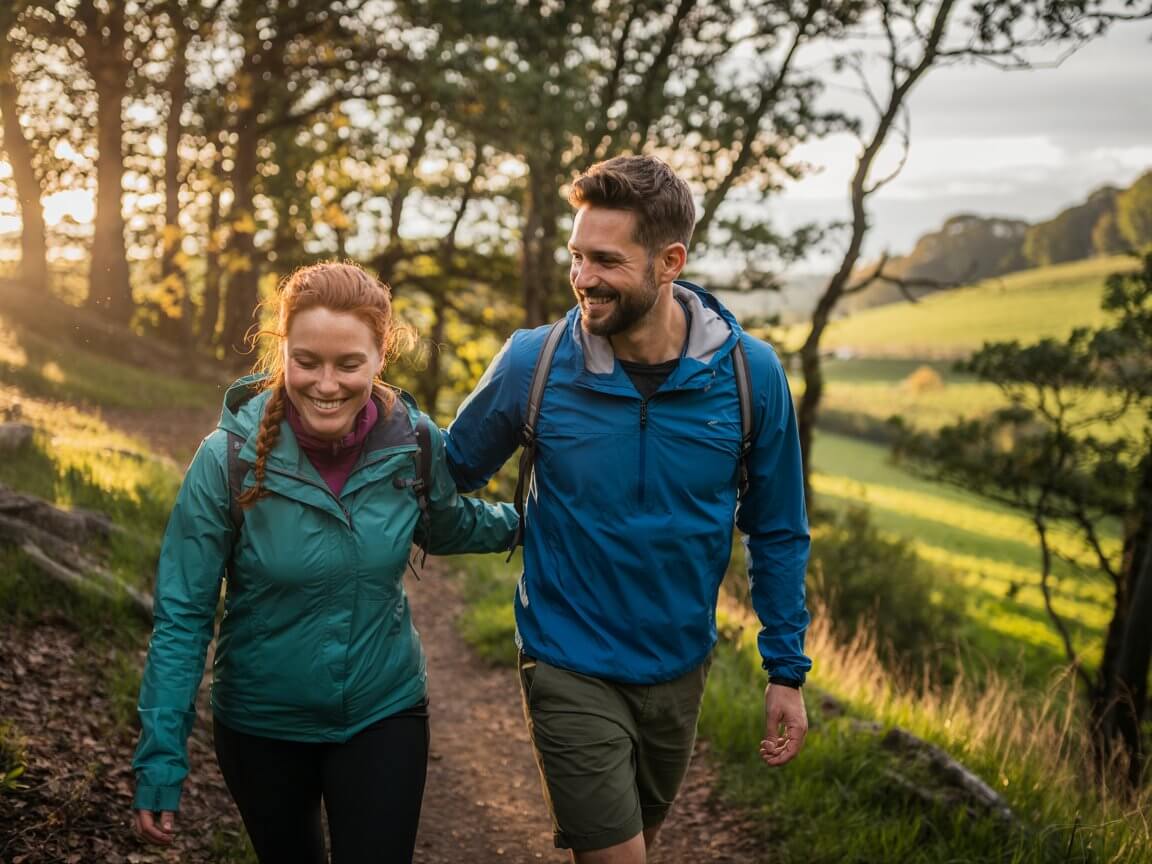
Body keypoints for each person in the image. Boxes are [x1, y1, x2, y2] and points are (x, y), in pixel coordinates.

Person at [445, 155, 811, 863]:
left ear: (669, 261)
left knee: (639, 838)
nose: (582, 277)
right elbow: (449, 468)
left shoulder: (749, 377)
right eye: (577, 256)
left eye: (605, 261)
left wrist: (784, 670)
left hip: (679, 667)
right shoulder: (536, 363)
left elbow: (777, 529)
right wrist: (338, 423)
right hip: (566, 657)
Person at [130, 262, 518, 864]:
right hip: (261, 723)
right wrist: (160, 757)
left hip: (383, 710)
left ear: (379, 356)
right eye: (307, 361)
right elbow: (183, 615)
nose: (326, 383)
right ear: (282, 352)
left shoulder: (412, 443)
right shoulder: (226, 459)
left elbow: (446, 524)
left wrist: (533, 523)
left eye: (348, 364)